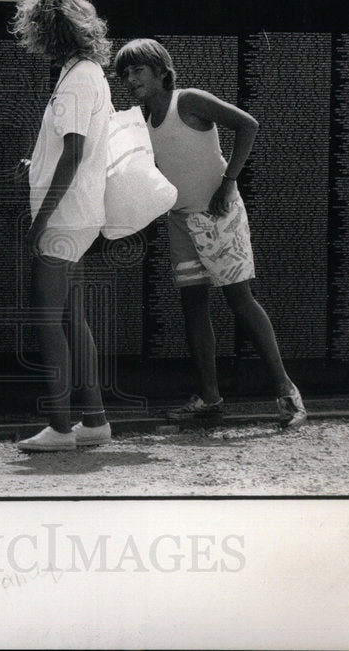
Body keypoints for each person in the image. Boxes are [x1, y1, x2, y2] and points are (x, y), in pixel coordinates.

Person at [113, 38, 307, 429]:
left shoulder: (189, 100)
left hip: (219, 214)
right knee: (193, 307)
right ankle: (209, 398)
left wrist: (229, 182)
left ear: (161, 70)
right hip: (180, 220)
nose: (130, 79)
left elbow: (247, 124)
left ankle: (287, 393)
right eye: (125, 73)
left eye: (138, 70)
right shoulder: (139, 116)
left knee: (239, 301)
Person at [9, 0, 113, 451]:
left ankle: (60, 427)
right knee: (73, 318)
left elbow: (74, 153)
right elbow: (70, 150)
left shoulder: (75, 80)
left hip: (64, 218)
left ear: (49, 31)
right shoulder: (88, 73)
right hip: (80, 213)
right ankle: (94, 422)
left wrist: (39, 221)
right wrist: (37, 165)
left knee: (47, 317)